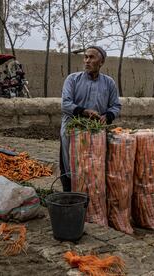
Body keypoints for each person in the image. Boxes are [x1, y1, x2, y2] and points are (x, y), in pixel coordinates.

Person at [60, 46, 122, 192]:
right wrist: (84, 112)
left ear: (101, 62)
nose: (87, 61)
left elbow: (116, 106)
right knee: (70, 163)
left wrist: (108, 116)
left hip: (96, 130)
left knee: (93, 164)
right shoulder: (72, 79)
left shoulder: (109, 83)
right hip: (73, 129)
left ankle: (93, 195)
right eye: (86, 57)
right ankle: (70, 196)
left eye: (92, 58)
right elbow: (65, 104)